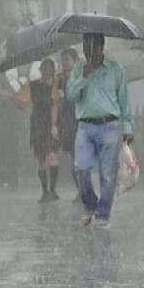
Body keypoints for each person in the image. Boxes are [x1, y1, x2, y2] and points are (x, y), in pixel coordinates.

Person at [66, 33, 133, 229]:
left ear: (101, 47)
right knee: (82, 170)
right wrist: (83, 77)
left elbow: (124, 100)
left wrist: (128, 127)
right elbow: (71, 95)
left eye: (92, 48)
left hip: (109, 126)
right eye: (85, 48)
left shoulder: (115, 69)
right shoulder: (79, 69)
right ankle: (90, 205)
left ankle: (103, 214)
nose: (89, 52)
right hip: (85, 127)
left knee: (108, 174)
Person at [29, 59, 62, 202]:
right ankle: (44, 191)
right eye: (44, 68)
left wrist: (54, 125)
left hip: (50, 122)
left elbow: (55, 104)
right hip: (37, 122)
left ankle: (52, 189)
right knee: (41, 157)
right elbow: (22, 100)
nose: (46, 71)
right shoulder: (34, 85)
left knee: (52, 154)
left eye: (49, 69)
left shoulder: (55, 85)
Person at [58, 48, 82, 198]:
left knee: (78, 158)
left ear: (75, 61)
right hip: (68, 121)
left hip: (80, 120)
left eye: (67, 59)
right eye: (63, 60)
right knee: (73, 158)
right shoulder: (60, 79)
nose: (64, 63)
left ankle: (84, 190)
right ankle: (81, 191)